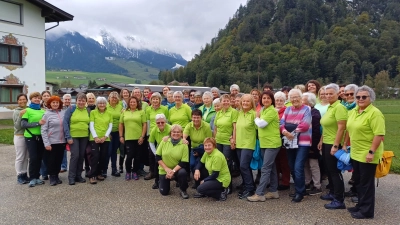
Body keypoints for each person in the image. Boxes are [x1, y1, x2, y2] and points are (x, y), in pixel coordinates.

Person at [344, 85, 384, 219]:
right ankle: (360, 205)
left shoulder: (375, 113)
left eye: (364, 97)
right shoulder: (355, 111)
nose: (360, 99)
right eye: (358, 97)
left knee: (366, 184)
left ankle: (366, 211)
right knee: (359, 182)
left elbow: (379, 135)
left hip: (367, 153)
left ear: (370, 98)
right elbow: (349, 129)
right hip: (355, 151)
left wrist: (371, 152)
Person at [247, 91, 282, 202]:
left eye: (268, 98)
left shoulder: (271, 111)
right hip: (265, 143)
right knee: (271, 168)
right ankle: (273, 191)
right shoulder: (264, 110)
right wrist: (258, 118)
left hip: (272, 143)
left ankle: (259, 193)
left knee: (265, 168)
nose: (265, 100)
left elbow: (261, 124)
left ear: (272, 100)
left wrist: (256, 117)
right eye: (264, 98)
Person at [318, 83, 347, 209]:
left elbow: (341, 128)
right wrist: (321, 140)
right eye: (326, 94)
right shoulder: (330, 107)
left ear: (337, 94)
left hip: (333, 143)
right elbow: (326, 127)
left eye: (331, 94)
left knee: (335, 171)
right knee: (329, 170)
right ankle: (332, 192)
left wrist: (336, 145)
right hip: (326, 142)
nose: (328, 96)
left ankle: (339, 199)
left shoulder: (339, 107)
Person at [280, 89, 312, 203]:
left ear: (301, 97)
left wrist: (291, 131)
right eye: (292, 97)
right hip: (289, 142)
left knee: (298, 167)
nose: (294, 99)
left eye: (296, 97)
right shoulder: (287, 109)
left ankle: (300, 192)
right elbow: (281, 123)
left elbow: (305, 125)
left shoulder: (306, 109)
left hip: (303, 142)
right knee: (292, 166)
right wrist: (285, 132)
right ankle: (300, 189)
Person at [156, 125, 189, 199]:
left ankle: (183, 190)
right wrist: (166, 169)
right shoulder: (164, 141)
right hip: (164, 170)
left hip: (176, 170)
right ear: (170, 133)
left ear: (181, 134)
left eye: (178, 132)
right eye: (174, 132)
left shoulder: (184, 144)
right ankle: (161, 181)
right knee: (164, 192)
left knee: (183, 173)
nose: (176, 134)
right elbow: (157, 157)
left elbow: (183, 162)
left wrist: (172, 171)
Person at [63, 93, 90, 185]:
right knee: (75, 156)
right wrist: (68, 137)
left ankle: (78, 176)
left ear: (85, 102)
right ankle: (71, 177)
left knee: (81, 156)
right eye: (79, 100)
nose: (81, 102)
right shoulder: (71, 109)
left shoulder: (88, 110)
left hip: (84, 136)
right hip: (73, 136)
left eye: (83, 100)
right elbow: (65, 123)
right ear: (76, 101)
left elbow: (90, 124)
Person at [213, 94, 238, 193]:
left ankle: (228, 186)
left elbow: (235, 127)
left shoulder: (233, 112)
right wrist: (214, 140)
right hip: (218, 141)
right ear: (221, 102)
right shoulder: (219, 113)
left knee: (227, 164)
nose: (226, 102)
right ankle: (220, 184)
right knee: (219, 163)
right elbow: (215, 128)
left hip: (227, 142)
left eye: (227, 100)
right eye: (224, 100)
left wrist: (234, 140)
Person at [21, 92, 46, 187]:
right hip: (30, 137)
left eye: (38, 98)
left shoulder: (43, 111)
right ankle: (32, 178)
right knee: (33, 157)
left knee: (39, 158)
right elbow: (23, 124)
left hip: (41, 137)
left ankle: (37, 177)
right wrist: (37, 123)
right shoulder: (27, 110)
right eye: (34, 98)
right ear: (31, 99)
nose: (36, 99)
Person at [119, 96, 147, 181]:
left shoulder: (141, 112)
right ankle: (128, 172)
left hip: (139, 137)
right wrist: (121, 136)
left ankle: (135, 171)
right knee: (129, 156)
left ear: (137, 103)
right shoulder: (124, 112)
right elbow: (121, 124)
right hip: (128, 138)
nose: (132, 103)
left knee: (138, 156)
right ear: (128, 103)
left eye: (134, 102)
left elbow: (144, 124)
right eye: (131, 102)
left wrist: (142, 136)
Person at [182, 109, 212, 187]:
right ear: (191, 118)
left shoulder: (206, 126)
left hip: (204, 148)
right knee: (192, 164)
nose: (196, 119)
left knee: (200, 164)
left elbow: (209, 140)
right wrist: (184, 139)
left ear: (201, 118)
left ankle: (203, 180)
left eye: (198, 117)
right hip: (194, 148)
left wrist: (200, 151)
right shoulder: (189, 125)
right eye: (194, 117)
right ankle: (197, 181)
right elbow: (184, 135)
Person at [41, 96, 66, 186]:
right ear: (50, 104)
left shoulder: (63, 113)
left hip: (62, 141)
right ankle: (52, 176)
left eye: (57, 102)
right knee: (51, 160)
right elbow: (43, 130)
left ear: (59, 104)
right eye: (53, 103)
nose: (55, 104)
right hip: (51, 141)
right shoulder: (46, 114)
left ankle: (56, 175)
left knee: (59, 160)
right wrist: (46, 143)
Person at [235, 94, 257, 199]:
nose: (245, 103)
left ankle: (250, 189)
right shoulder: (238, 113)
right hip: (239, 143)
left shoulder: (254, 114)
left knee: (244, 165)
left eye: (248, 101)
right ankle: (246, 185)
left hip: (248, 144)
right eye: (243, 101)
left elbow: (258, 128)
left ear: (251, 103)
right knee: (243, 167)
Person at [88, 97, 113, 184]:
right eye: (100, 103)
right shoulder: (93, 112)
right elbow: (91, 125)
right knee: (95, 156)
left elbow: (110, 126)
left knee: (103, 156)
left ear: (106, 104)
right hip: (94, 138)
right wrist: (95, 137)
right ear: (97, 104)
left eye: (103, 103)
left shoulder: (109, 113)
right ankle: (92, 175)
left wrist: (105, 137)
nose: (102, 105)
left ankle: (99, 173)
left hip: (105, 139)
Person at [145, 92, 169, 180]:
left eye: (157, 99)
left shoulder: (165, 109)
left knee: (163, 153)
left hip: (163, 134)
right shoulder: (148, 109)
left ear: (160, 100)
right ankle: (152, 172)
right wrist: (147, 134)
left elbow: (167, 122)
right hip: (152, 133)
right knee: (151, 154)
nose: (155, 100)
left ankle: (162, 171)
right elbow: (147, 122)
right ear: (151, 100)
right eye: (153, 99)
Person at [302, 92, 322, 195]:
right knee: (305, 164)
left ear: (309, 102)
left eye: (303, 100)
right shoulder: (304, 112)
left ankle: (317, 185)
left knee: (313, 164)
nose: (301, 102)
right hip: (304, 142)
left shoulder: (314, 113)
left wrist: (313, 145)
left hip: (312, 143)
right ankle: (307, 182)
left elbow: (316, 131)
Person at [274, 91, 291, 191]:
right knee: (275, 161)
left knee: (284, 161)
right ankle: (275, 181)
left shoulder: (287, 110)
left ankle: (285, 182)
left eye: (281, 100)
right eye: (277, 100)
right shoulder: (271, 110)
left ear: (284, 101)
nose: (279, 102)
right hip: (272, 138)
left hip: (283, 138)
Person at [149, 114, 171, 189]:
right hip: (160, 150)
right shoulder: (154, 130)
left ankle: (177, 180)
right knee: (156, 164)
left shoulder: (170, 128)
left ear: (165, 121)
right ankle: (157, 181)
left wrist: (169, 136)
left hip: (171, 150)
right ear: (156, 123)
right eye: (158, 123)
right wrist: (156, 153)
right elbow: (151, 142)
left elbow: (177, 137)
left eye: (162, 122)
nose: (160, 124)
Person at [104, 91, 123, 177]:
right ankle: (104, 170)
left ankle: (114, 169)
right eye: (112, 97)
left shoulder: (120, 106)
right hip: (108, 132)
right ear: (109, 98)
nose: (114, 99)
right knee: (108, 151)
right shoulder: (106, 106)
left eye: (116, 97)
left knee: (114, 151)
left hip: (117, 131)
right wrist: (107, 133)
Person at [13, 94, 29, 184]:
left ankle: (24, 174)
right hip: (19, 136)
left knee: (26, 157)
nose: (22, 101)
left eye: (24, 99)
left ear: (27, 100)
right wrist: (20, 115)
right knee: (20, 157)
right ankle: (19, 175)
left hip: (28, 135)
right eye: (20, 99)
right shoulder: (16, 111)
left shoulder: (28, 110)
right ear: (17, 101)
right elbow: (17, 126)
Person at [39, 90, 51, 180]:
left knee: (50, 155)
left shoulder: (53, 106)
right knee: (43, 155)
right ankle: (44, 173)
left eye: (48, 95)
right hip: (42, 133)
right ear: (42, 97)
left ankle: (51, 171)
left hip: (52, 134)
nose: (46, 97)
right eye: (44, 95)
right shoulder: (38, 107)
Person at [84, 92, 97, 175]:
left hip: (96, 133)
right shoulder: (85, 109)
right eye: (89, 98)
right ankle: (87, 168)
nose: (91, 100)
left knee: (94, 153)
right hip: (87, 133)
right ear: (86, 100)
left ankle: (94, 169)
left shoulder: (98, 108)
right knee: (87, 152)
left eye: (92, 98)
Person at [60, 94, 72, 173]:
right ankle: (63, 166)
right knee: (63, 149)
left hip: (72, 130)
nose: (67, 101)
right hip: (62, 131)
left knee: (74, 150)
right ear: (63, 100)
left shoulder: (73, 108)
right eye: (66, 99)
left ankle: (76, 165)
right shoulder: (60, 109)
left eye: (68, 99)